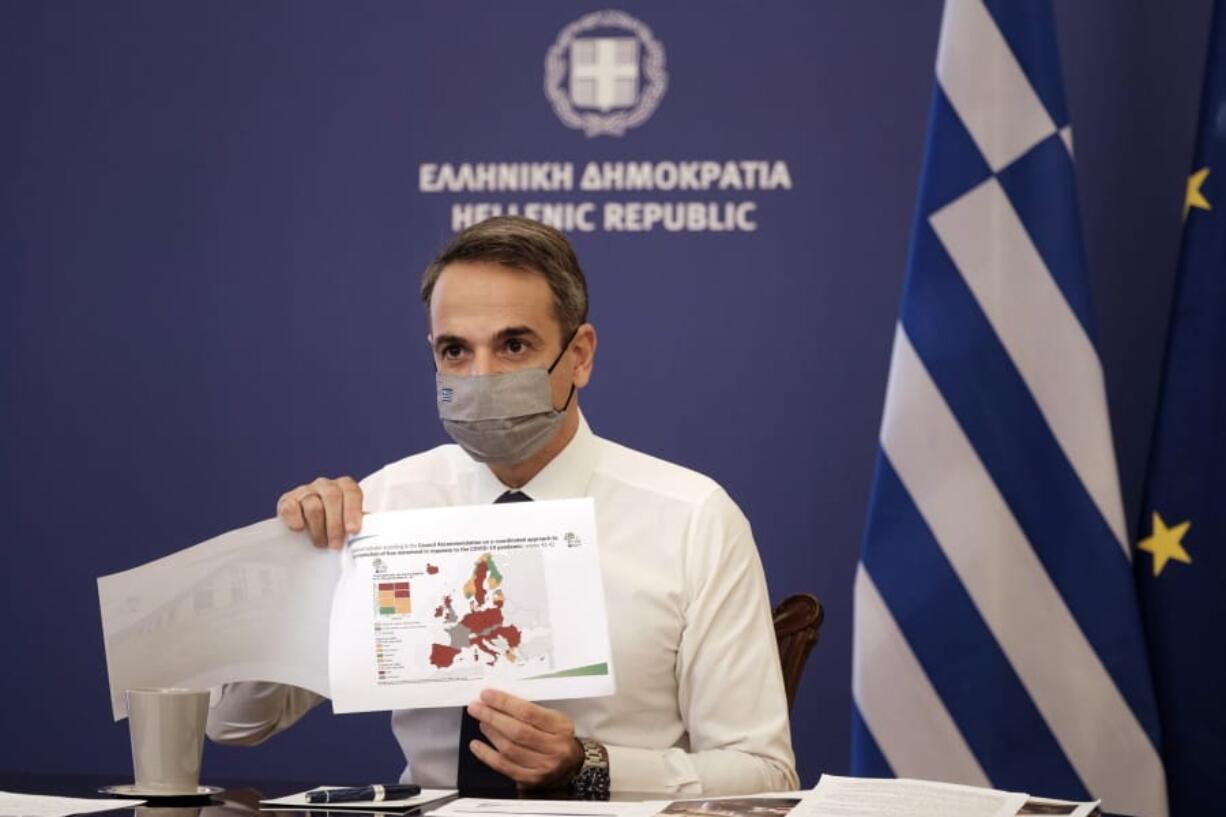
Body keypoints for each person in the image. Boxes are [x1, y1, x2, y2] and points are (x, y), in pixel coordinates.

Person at [206, 216, 797, 796]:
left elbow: (763, 774)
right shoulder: (382, 506)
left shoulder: (691, 518)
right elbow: (234, 724)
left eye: (514, 345)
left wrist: (589, 764)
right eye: (455, 351)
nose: (481, 377)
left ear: (580, 355)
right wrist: (293, 565)